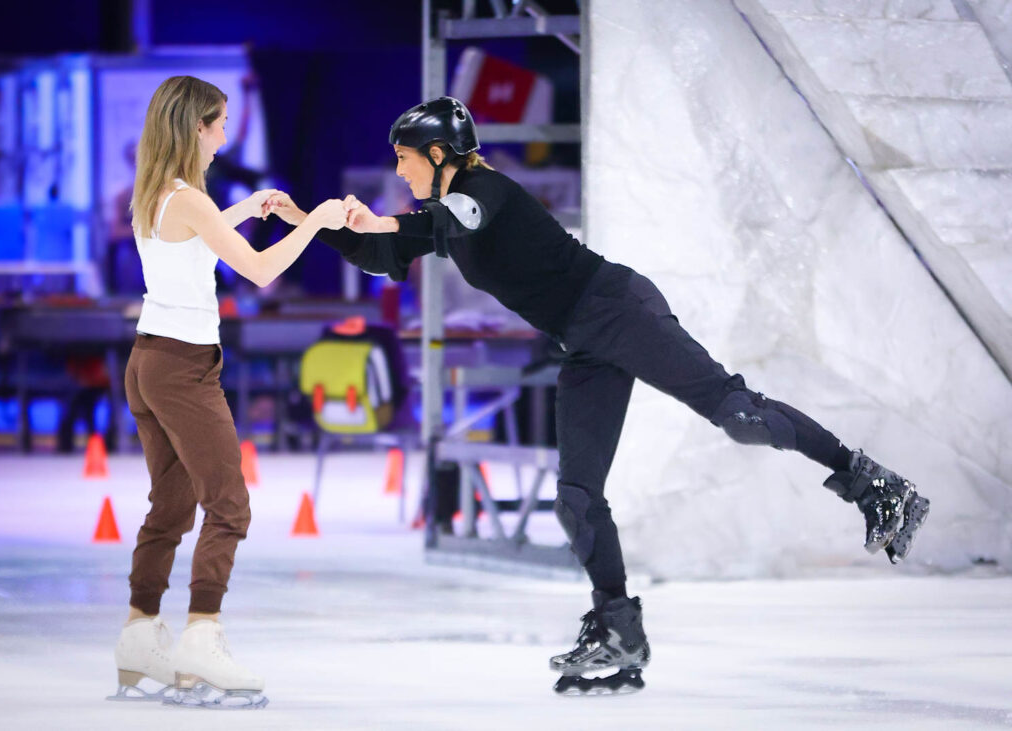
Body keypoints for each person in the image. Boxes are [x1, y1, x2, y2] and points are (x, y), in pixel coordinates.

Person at [265, 97, 931, 696]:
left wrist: (385, 218)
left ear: (440, 154)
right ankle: (618, 629)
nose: (401, 172)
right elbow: (383, 253)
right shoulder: (444, 212)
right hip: (582, 340)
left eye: (407, 160)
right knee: (576, 497)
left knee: (740, 414)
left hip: (617, 308)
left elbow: (461, 215)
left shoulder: (484, 188)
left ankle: (873, 483)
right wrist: (306, 219)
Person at [110, 75, 346, 708]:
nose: (222, 136)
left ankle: (139, 635)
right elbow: (262, 271)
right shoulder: (190, 198)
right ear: (195, 127)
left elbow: (195, 240)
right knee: (229, 505)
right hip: (184, 368)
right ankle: (201, 637)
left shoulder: (159, 191)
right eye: (217, 125)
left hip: (148, 359)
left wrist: (244, 210)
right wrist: (319, 221)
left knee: (171, 506)